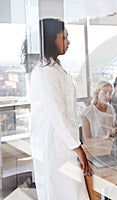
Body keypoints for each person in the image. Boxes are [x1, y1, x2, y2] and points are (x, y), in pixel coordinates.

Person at [29, 18, 92, 200]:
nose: (68, 41)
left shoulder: (53, 67)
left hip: (61, 144)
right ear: (50, 38)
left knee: (71, 191)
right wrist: (78, 149)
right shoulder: (46, 71)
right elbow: (57, 115)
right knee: (63, 192)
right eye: (63, 37)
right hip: (54, 146)